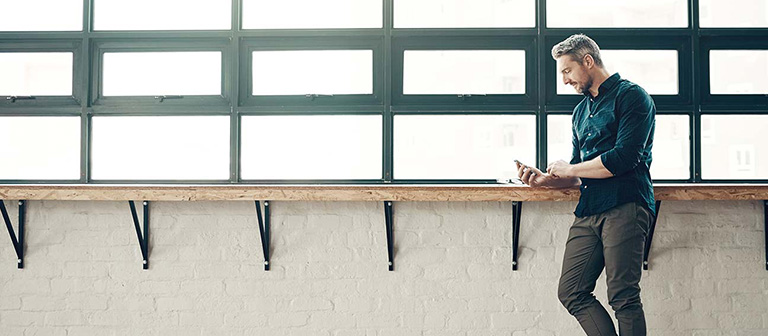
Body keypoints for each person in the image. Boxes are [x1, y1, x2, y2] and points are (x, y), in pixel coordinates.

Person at [515, 34, 656, 336]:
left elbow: (622, 158)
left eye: (567, 71)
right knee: (572, 292)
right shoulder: (580, 112)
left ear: (588, 61)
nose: (564, 80)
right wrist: (546, 180)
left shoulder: (632, 97)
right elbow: (579, 172)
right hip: (589, 210)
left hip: (626, 205)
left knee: (623, 297)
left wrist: (570, 167)